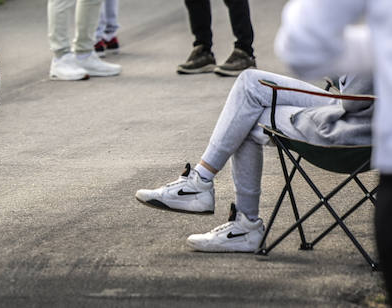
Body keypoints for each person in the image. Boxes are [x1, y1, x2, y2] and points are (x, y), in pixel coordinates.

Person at [272, 0, 392, 289]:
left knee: (257, 97)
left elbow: (303, 46)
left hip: (369, 146)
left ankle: (229, 208)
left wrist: (379, 44)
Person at [134, 67, 372, 252]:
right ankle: (223, 206)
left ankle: (215, 198)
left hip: (353, 130)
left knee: (250, 96)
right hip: (369, 126)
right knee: (248, 98)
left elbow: (355, 98)